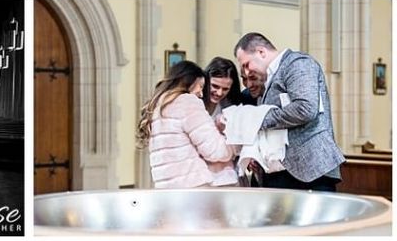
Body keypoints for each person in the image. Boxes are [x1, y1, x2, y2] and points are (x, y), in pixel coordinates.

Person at [234, 31, 344, 190]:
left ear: (261, 52)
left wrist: (257, 119)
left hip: (310, 170)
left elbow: (305, 108)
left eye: (246, 64)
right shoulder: (268, 78)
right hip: (282, 173)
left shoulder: (298, 63)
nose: (246, 72)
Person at [136, 61, 236, 188]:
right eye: (200, 86)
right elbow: (215, 151)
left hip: (165, 189)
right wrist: (234, 144)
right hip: (193, 188)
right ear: (189, 82)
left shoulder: (156, 106)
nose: (201, 93)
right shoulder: (187, 102)